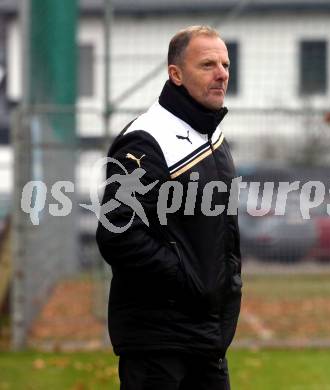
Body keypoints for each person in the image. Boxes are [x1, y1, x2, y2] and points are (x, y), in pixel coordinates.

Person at [96, 25, 242, 390]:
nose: (222, 73)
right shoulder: (147, 139)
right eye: (207, 64)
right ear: (175, 74)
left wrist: (223, 293)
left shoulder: (214, 138)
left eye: (225, 64)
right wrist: (189, 281)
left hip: (205, 336)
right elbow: (118, 234)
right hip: (158, 343)